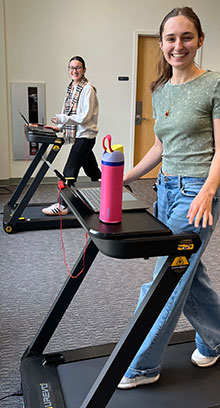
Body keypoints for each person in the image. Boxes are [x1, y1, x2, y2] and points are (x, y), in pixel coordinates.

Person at [118, 6, 220, 390]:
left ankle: (144, 364)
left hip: (198, 192)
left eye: (186, 37)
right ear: (162, 44)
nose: (178, 46)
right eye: (171, 38)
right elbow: (161, 146)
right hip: (165, 189)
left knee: (169, 276)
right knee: (189, 272)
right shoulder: (160, 89)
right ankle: (216, 338)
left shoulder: (214, 84)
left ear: (200, 40)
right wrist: (124, 177)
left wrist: (209, 191)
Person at [42, 56, 101, 215]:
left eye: (78, 67)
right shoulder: (71, 88)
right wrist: (58, 126)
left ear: (84, 69)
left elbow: (84, 117)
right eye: (71, 68)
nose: (74, 71)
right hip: (80, 136)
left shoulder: (87, 88)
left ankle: (62, 206)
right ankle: (108, 196)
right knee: (94, 173)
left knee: (69, 171)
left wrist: (62, 119)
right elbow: (66, 112)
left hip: (85, 136)